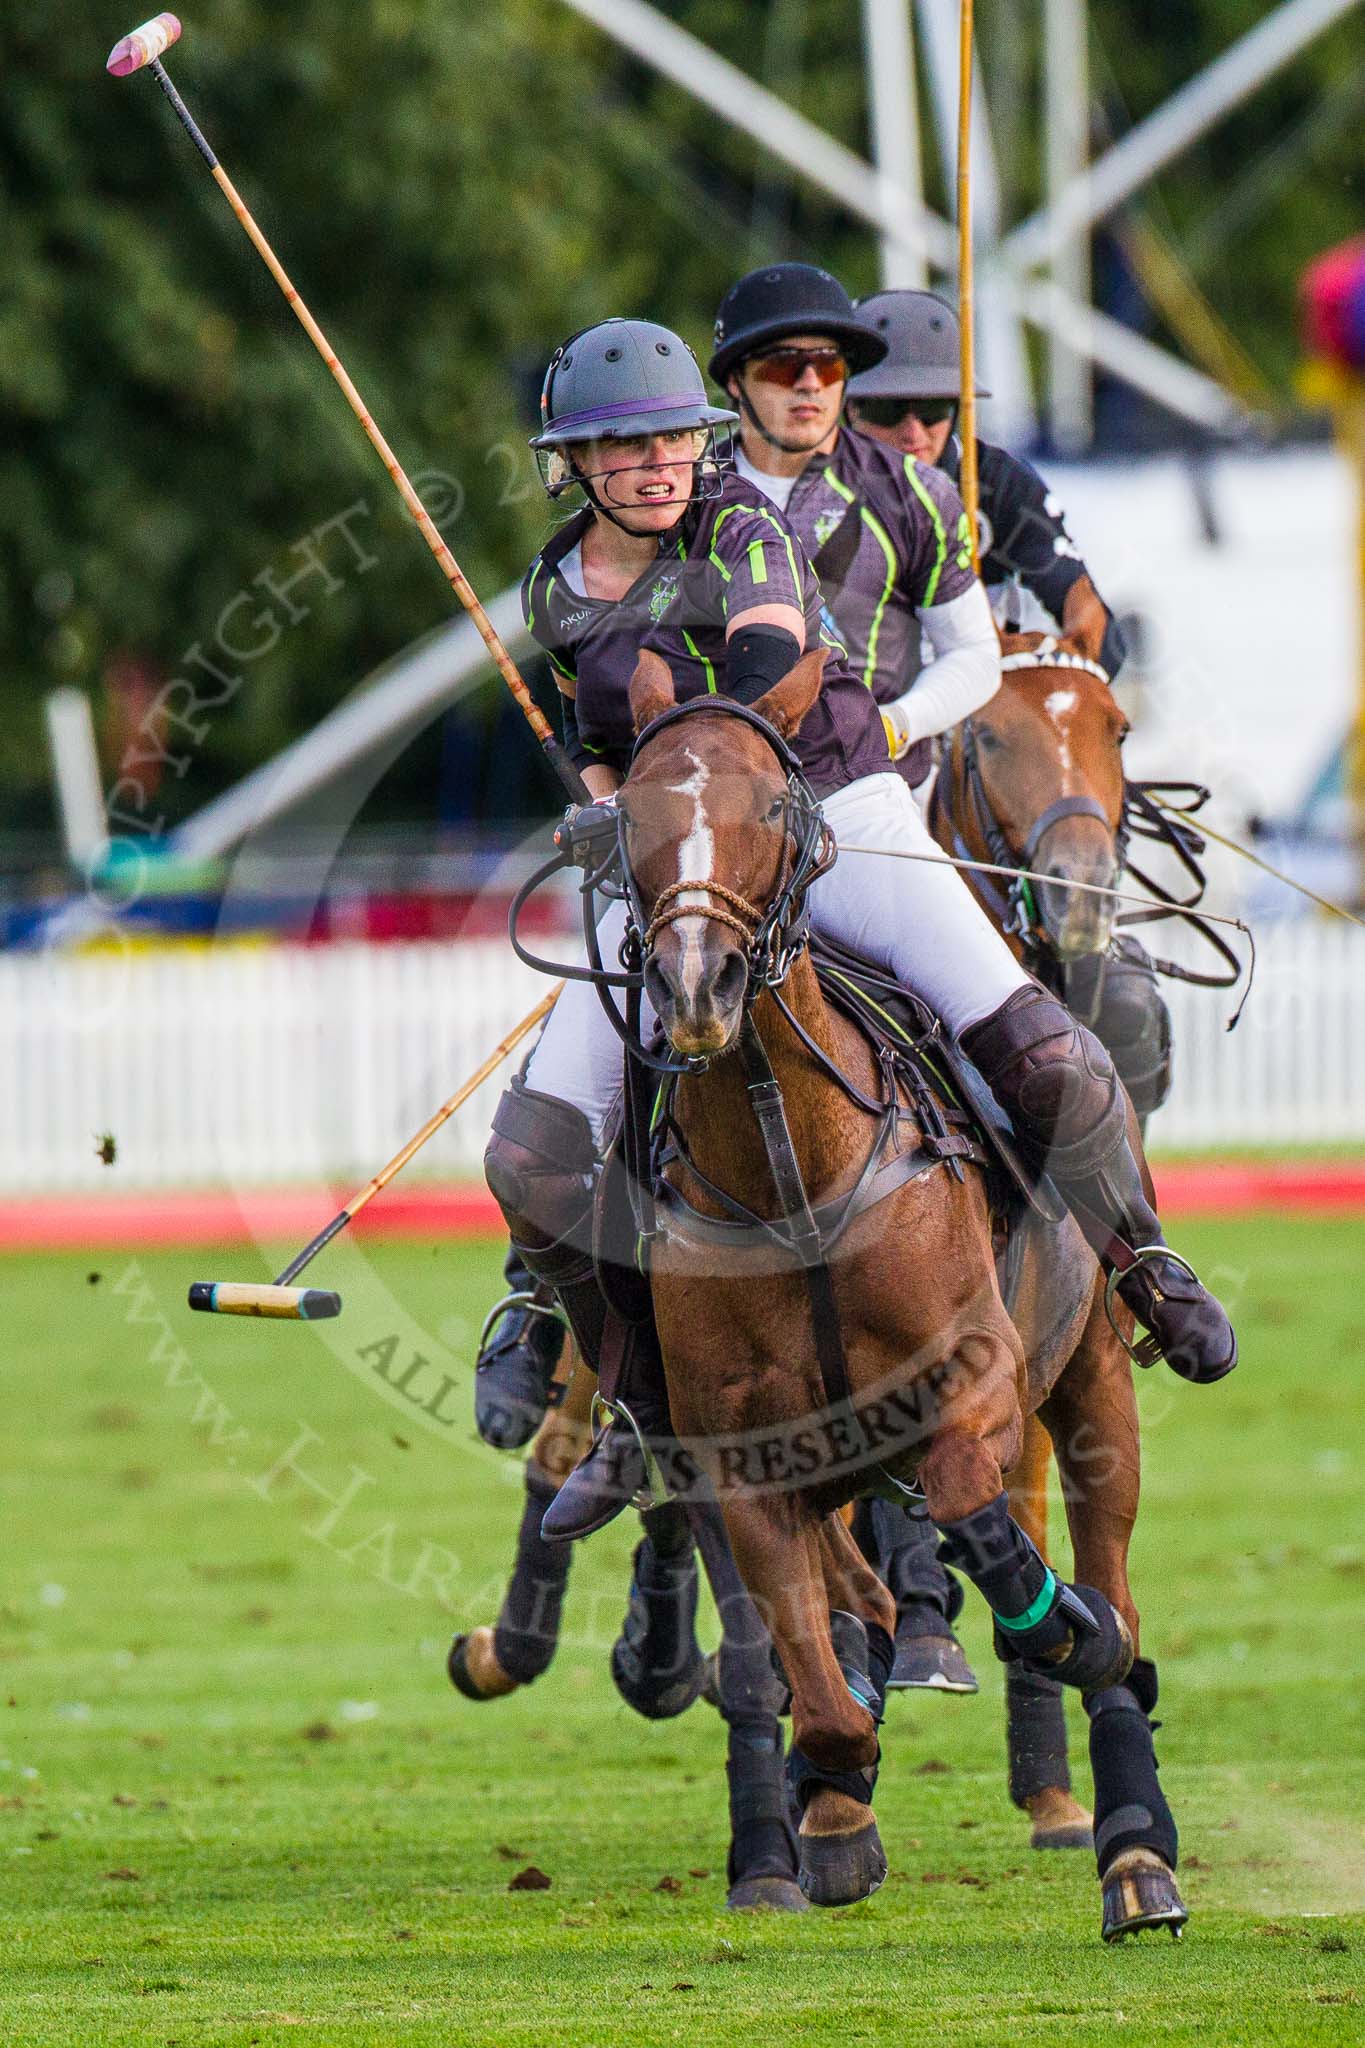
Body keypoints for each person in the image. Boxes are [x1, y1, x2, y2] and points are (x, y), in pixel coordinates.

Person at [482, 315, 1237, 1550]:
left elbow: (769, 674)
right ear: (575, 464)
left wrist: (662, 797)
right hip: (679, 861)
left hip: (834, 813)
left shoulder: (745, 528)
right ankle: (641, 1406)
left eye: (672, 436)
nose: (657, 461)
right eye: (623, 448)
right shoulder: (557, 587)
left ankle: (1144, 1262)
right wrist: (604, 806)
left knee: (1052, 1057)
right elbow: (601, 738)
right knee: (534, 1154)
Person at [845, 288, 1173, 1131]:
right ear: (848, 410)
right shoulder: (816, 502)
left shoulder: (991, 479)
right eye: (889, 411)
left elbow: (1089, 622)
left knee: (1124, 1001)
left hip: (980, 737)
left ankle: (1123, 1230)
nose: (917, 432)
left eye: (936, 410)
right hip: (855, 754)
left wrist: (1022, 664)